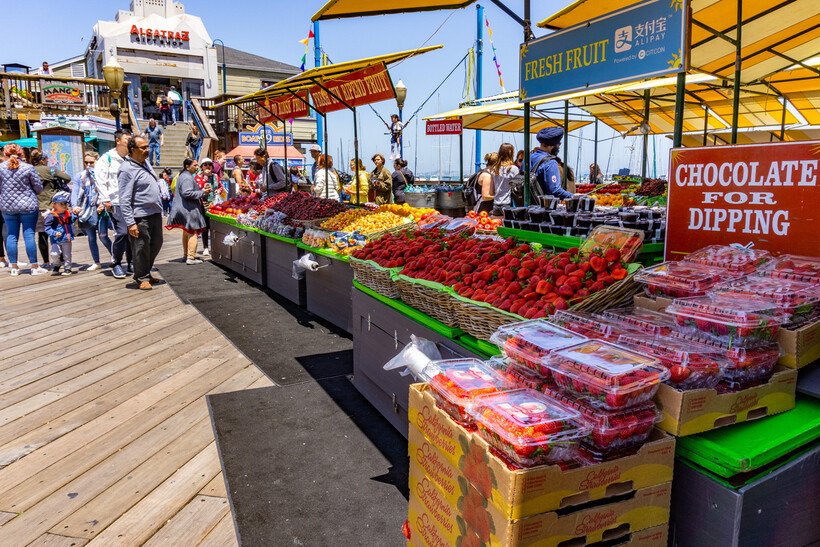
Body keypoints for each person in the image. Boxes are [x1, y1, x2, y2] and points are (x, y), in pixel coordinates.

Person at [118, 136, 163, 290]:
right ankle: (141, 277)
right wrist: (130, 222)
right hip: (140, 215)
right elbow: (124, 198)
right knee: (141, 247)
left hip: (154, 212)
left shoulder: (145, 163)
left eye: (147, 147)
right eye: (143, 148)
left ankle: (146, 271)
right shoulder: (126, 169)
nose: (147, 150)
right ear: (133, 150)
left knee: (156, 243)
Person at [0, 143, 45, 276]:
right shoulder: (28, 168)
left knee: (11, 235)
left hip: (8, 207)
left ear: (5, 154)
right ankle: (34, 267)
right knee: (29, 235)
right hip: (28, 206)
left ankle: (14, 267)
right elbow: (38, 188)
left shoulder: (0, 168)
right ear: (21, 153)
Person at [96, 128, 134, 279]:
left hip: (132, 202)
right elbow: (100, 180)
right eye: (127, 140)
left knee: (133, 233)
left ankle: (131, 262)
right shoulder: (107, 158)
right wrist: (105, 199)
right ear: (117, 141)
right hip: (115, 202)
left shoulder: (132, 158)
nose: (129, 142)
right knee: (122, 232)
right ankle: (116, 262)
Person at [31, 149, 70, 269]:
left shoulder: (31, 170)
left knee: (42, 235)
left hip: (38, 206)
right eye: (46, 159)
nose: (48, 160)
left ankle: (46, 262)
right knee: (58, 232)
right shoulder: (51, 170)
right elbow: (67, 178)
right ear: (42, 160)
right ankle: (62, 259)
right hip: (53, 206)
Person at [70, 151, 109, 271]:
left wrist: (103, 203)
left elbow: (107, 189)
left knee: (103, 236)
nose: (88, 165)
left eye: (91, 162)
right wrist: (74, 206)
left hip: (100, 208)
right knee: (91, 237)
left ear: (96, 162)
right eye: (86, 162)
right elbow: (75, 192)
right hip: (86, 209)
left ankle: (115, 258)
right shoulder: (80, 176)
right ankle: (96, 262)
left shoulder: (101, 174)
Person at [166, 158, 209, 265]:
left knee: (187, 232)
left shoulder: (183, 176)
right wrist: (203, 192)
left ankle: (186, 255)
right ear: (187, 167)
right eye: (194, 165)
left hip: (183, 208)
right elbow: (187, 193)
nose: (197, 167)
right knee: (192, 232)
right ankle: (191, 257)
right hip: (188, 209)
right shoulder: (187, 178)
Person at [531, 127, 573, 200]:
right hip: (542, 207)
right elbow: (555, 191)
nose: (559, 147)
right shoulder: (550, 162)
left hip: (525, 207)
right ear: (552, 145)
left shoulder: (529, 158)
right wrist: (574, 197)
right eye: (558, 144)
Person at [43, 192, 75, 275]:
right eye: (61, 204)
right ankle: (57, 264)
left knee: (67, 255)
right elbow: (47, 228)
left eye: (65, 204)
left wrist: (75, 214)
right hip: (55, 239)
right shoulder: (51, 216)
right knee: (54, 254)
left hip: (66, 238)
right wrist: (54, 233)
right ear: (54, 205)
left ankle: (67, 268)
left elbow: (73, 220)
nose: (64, 206)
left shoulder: (68, 214)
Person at [195, 158, 220, 256]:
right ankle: (205, 247)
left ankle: (215, 246)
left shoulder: (215, 176)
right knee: (205, 226)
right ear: (201, 167)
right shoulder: (198, 177)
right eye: (205, 164)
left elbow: (220, 186)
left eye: (210, 164)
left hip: (214, 203)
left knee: (214, 225)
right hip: (203, 204)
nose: (208, 166)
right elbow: (199, 187)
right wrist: (205, 177)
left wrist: (219, 190)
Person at [492, 143, 518, 216]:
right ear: (510, 153)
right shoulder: (513, 169)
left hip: (496, 204)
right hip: (508, 203)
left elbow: (492, 189)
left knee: (496, 225)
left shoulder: (495, 169)